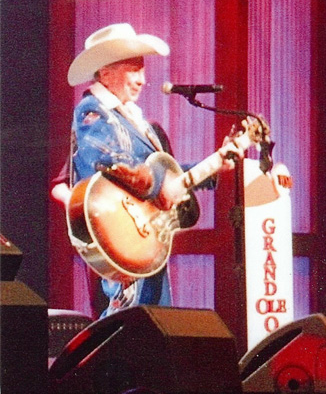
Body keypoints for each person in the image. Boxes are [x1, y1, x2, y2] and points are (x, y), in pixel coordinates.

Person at [51, 23, 243, 318]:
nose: (142, 80)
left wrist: (217, 163)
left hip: (143, 234)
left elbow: (161, 177)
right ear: (106, 73)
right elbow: (111, 163)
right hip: (124, 233)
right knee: (130, 322)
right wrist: (156, 185)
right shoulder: (92, 111)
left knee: (151, 321)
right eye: (134, 69)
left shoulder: (133, 121)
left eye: (142, 70)